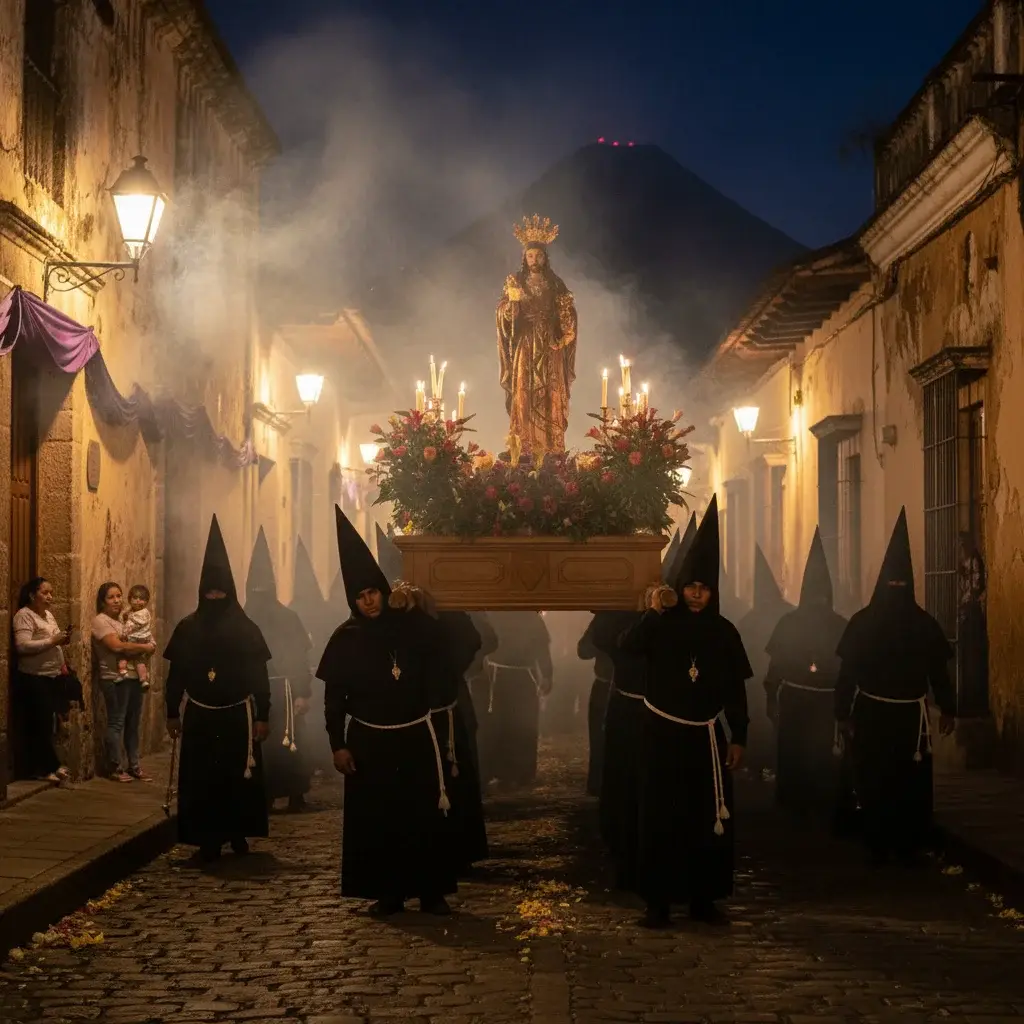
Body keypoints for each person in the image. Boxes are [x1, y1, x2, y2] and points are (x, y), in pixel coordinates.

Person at [619, 495, 751, 928]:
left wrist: (739, 735)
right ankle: (657, 901)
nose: (696, 595)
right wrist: (653, 614)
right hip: (662, 734)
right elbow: (628, 649)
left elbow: (735, 689)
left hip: (706, 739)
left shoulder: (725, 633)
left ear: (713, 592)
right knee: (660, 816)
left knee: (705, 816)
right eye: (691, 586)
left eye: (704, 588)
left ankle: (703, 899)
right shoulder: (661, 626)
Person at [318, 507, 457, 917]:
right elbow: (333, 698)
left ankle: (431, 891)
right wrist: (337, 745)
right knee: (380, 819)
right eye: (360, 597)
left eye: (373, 593)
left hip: (414, 736)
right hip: (370, 742)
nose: (368, 602)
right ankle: (389, 893)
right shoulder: (345, 638)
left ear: (383, 590)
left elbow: (443, 644)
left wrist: (414, 605)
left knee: (421, 814)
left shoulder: (410, 625)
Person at [835, 507, 956, 866]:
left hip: (904, 719)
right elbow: (848, 672)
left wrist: (948, 707)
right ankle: (884, 842)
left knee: (905, 781)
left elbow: (938, 672)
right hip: (876, 714)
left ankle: (902, 842)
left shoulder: (886, 623)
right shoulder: (909, 623)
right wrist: (842, 713)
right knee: (879, 778)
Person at [375, 523, 488, 872]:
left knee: (452, 778)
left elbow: (472, 640)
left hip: (445, 707)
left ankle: (457, 850)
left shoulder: (444, 612)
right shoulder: (381, 622)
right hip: (403, 717)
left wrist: (448, 673)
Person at [164, 515, 272, 862]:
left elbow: (259, 674)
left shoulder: (246, 629)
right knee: (202, 780)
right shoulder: (187, 627)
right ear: (202, 592)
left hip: (236, 716)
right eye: (209, 591)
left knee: (235, 778)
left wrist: (263, 715)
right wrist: (171, 711)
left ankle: (237, 832)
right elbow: (177, 673)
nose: (214, 597)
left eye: (220, 591)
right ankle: (206, 839)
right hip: (200, 715)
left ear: (230, 592)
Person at [764, 528, 851, 827]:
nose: (817, 601)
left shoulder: (840, 625)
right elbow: (776, 665)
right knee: (795, 752)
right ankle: (796, 806)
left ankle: (819, 805)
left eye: (821, 595)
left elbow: (849, 669)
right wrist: (771, 696)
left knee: (821, 754)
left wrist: (845, 708)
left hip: (825, 702)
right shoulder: (789, 623)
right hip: (796, 699)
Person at [496, 214, 578, 457]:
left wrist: (564, 329)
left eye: (538, 255)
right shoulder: (516, 282)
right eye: (530, 255)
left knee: (551, 393)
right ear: (525, 257)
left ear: (545, 258)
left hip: (550, 346)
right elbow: (504, 315)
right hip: (525, 343)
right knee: (524, 392)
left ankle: (551, 448)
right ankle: (524, 448)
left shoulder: (556, 284)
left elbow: (568, 314)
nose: (534, 259)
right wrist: (512, 305)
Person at [245, 527, 314, 813]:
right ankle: (266, 794)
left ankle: (296, 792)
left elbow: (298, 655)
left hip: (284, 688)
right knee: (261, 745)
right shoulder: (243, 619)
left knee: (291, 741)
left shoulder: (287, 617)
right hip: (253, 692)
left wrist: (302, 692)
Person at [479, 611, 553, 788]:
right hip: (499, 677)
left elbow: (541, 648)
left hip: (521, 677)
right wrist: (547, 674)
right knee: (503, 724)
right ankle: (507, 772)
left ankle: (521, 772)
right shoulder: (495, 614)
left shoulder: (529, 617)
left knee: (522, 724)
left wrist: (547, 674)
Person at [92, 582, 158, 782]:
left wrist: (147, 645)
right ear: (102, 602)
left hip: (133, 677)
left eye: (119, 596)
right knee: (117, 722)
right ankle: (115, 767)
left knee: (133, 723)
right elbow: (117, 646)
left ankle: (134, 766)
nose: (116, 600)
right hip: (115, 678)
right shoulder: (101, 621)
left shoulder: (125, 619)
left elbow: (147, 640)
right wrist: (144, 648)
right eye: (111, 597)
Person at [12, 577, 75, 782]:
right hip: (34, 676)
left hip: (51, 676)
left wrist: (61, 643)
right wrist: (52, 641)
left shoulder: (48, 615)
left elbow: (54, 640)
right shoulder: (24, 615)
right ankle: (44, 768)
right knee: (39, 724)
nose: (50, 597)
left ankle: (49, 765)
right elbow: (22, 646)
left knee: (48, 724)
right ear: (32, 595)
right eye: (45, 592)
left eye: (51, 593)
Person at [737, 546, 793, 773]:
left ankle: (761, 766)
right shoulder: (788, 615)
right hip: (763, 682)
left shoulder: (749, 619)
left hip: (774, 682)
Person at [290, 537, 336, 775]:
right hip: (309, 671)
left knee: (317, 719)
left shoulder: (292, 610)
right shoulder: (293, 611)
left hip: (318, 670)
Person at [120, 584, 154, 691]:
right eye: (135, 598)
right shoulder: (130, 611)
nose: (138, 601)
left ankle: (140, 678)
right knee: (136, 659)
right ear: (129, 599)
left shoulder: (142, 613)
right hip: (138, 641)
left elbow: (130, 626)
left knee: (133, 657)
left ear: (146, 601)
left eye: (142, 599)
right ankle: (140, 678)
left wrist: (123, 633)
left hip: (138, 639)